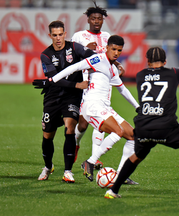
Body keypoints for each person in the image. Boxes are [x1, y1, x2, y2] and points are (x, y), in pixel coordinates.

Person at [104, 46, 179, 199]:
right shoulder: (174, 73)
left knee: (136, 157)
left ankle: (113, 191)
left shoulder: (140, 75)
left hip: (143, 127)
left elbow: (161, 78)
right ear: (165, 61)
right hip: (165, 126)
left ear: (147, 61)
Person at [49, 35, 140, 183]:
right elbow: (75, 67)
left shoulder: (113, 69)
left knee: (133, 137)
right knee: (118, 131)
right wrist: (53, 79)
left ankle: (121, 176)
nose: (116, 53)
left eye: (119, 50)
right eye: (113, 49)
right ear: (106, 48)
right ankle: (90, 162)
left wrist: (138, 107)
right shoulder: (98, 59)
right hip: (92, 105)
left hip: (104, 107)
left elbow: (123, 90)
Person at [70, 3, 135, 185]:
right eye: (93, 18)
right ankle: (77, 144)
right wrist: (84, 51)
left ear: (103, 20)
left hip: (103, 85)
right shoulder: (79, 36)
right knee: (83, 124)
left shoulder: (107, 37)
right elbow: (71, 57)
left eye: (100, 18)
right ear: (88, 19)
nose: (97, 21)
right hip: (86, 84)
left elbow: (110, 58)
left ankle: (93, 160)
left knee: (102, 121)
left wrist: (117, 67)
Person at [33, 20, 95, 183]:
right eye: (55, 35)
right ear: (50, 36)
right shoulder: (46, 55)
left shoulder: (74, 47)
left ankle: (68, 171)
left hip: (71, 96)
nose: (58, 38)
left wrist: (99, 58)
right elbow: (54, 80)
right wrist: (77, 84)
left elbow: (93, 57)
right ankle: (47, 166)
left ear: (65, 34)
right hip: (52, 97)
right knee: (48, 135)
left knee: (70, 127)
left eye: (61, 34)